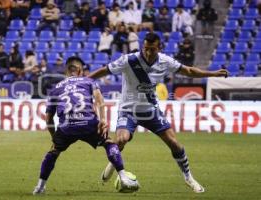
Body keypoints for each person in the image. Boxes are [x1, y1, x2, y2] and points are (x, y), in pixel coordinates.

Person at [88, 33, 229, 193]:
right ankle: (114, 163)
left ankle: (189, 178)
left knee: (174, 143)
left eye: (152, 49)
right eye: (146, 49)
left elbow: (188, 71)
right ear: (143, 46)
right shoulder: (129, 60)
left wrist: (213, 74)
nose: (148, 53)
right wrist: (84, 80)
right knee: (121, 140)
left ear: (159, 47)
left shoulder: (165, 61)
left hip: (151, 111)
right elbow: (105, 70)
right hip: (128, 110)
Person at [32, 56, 139, 195]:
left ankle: (40, 187)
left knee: (53, 152)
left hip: (66, 126)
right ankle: (123, 177)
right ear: (80, 70)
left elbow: (48, 118)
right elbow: (100, 100)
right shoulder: (89, 81)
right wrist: (103, 120)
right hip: (88, 123)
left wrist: (55, 138)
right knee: (109, 143)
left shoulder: (55, 89)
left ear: (66, 71)